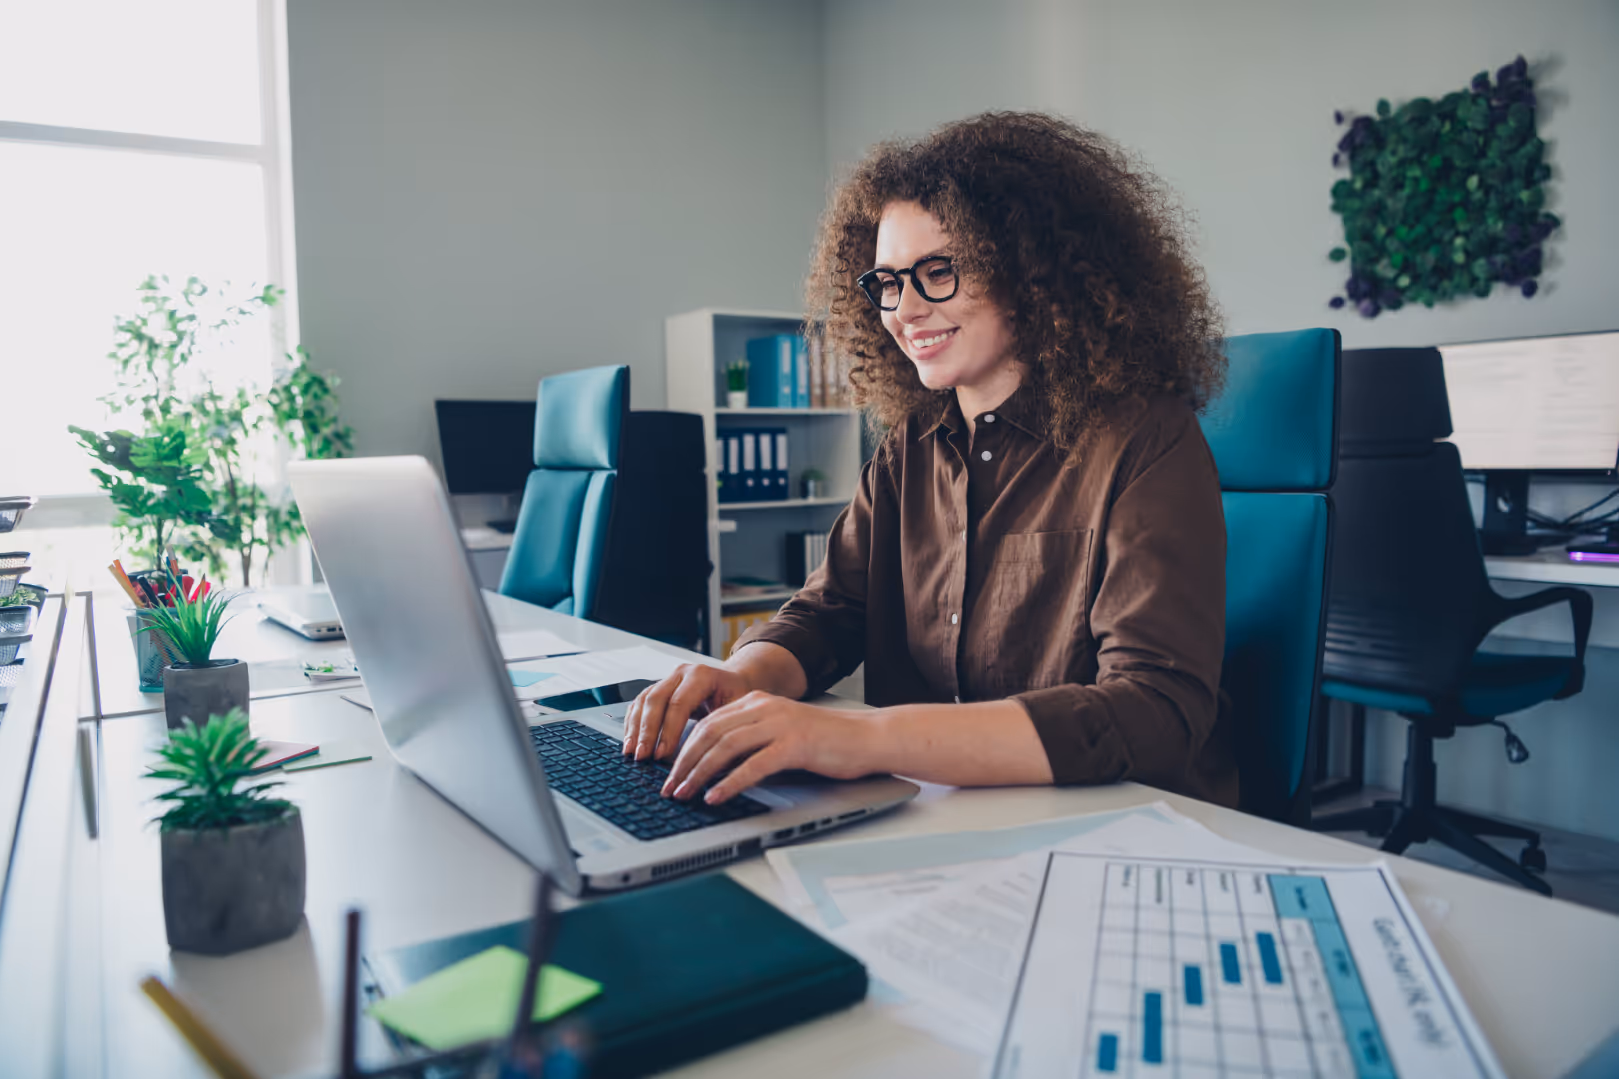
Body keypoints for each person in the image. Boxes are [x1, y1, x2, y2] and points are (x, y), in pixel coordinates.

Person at [625, 111, 1236, 807]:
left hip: (1110, 822)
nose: (904, 309)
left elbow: (1154, 708)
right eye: (886, 281)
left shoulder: (1143, 437)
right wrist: (741, 676)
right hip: (936, 813)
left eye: (938, 271)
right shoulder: (909, 444)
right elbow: (832, 609)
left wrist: (861, 739)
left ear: (1036, 275)